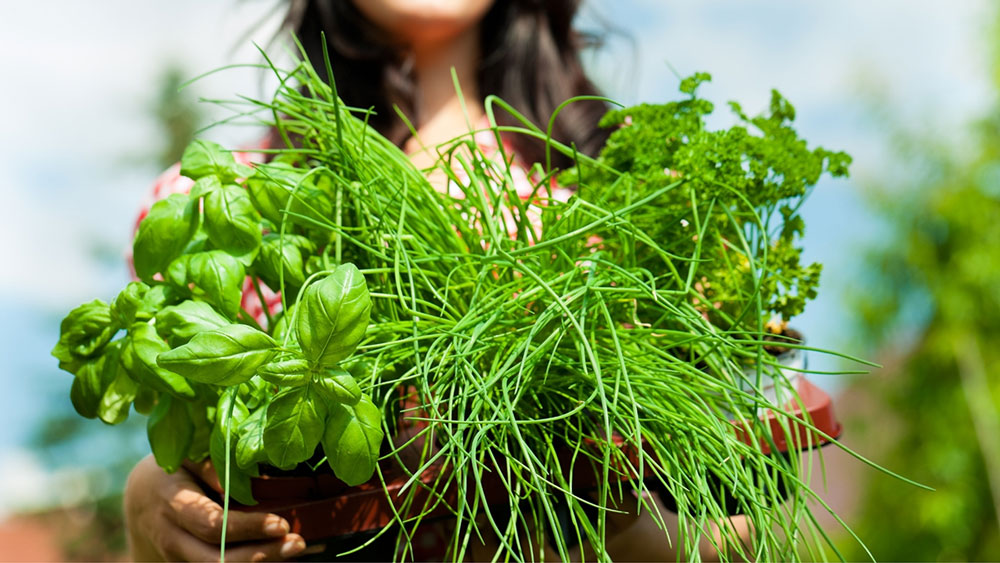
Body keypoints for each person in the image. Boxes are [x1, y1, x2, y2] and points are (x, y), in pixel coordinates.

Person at [124, 0, 748, 560]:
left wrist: (653, 541)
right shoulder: (228, 205)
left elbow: (756, 515)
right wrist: (145, 502)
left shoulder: (640, 200)